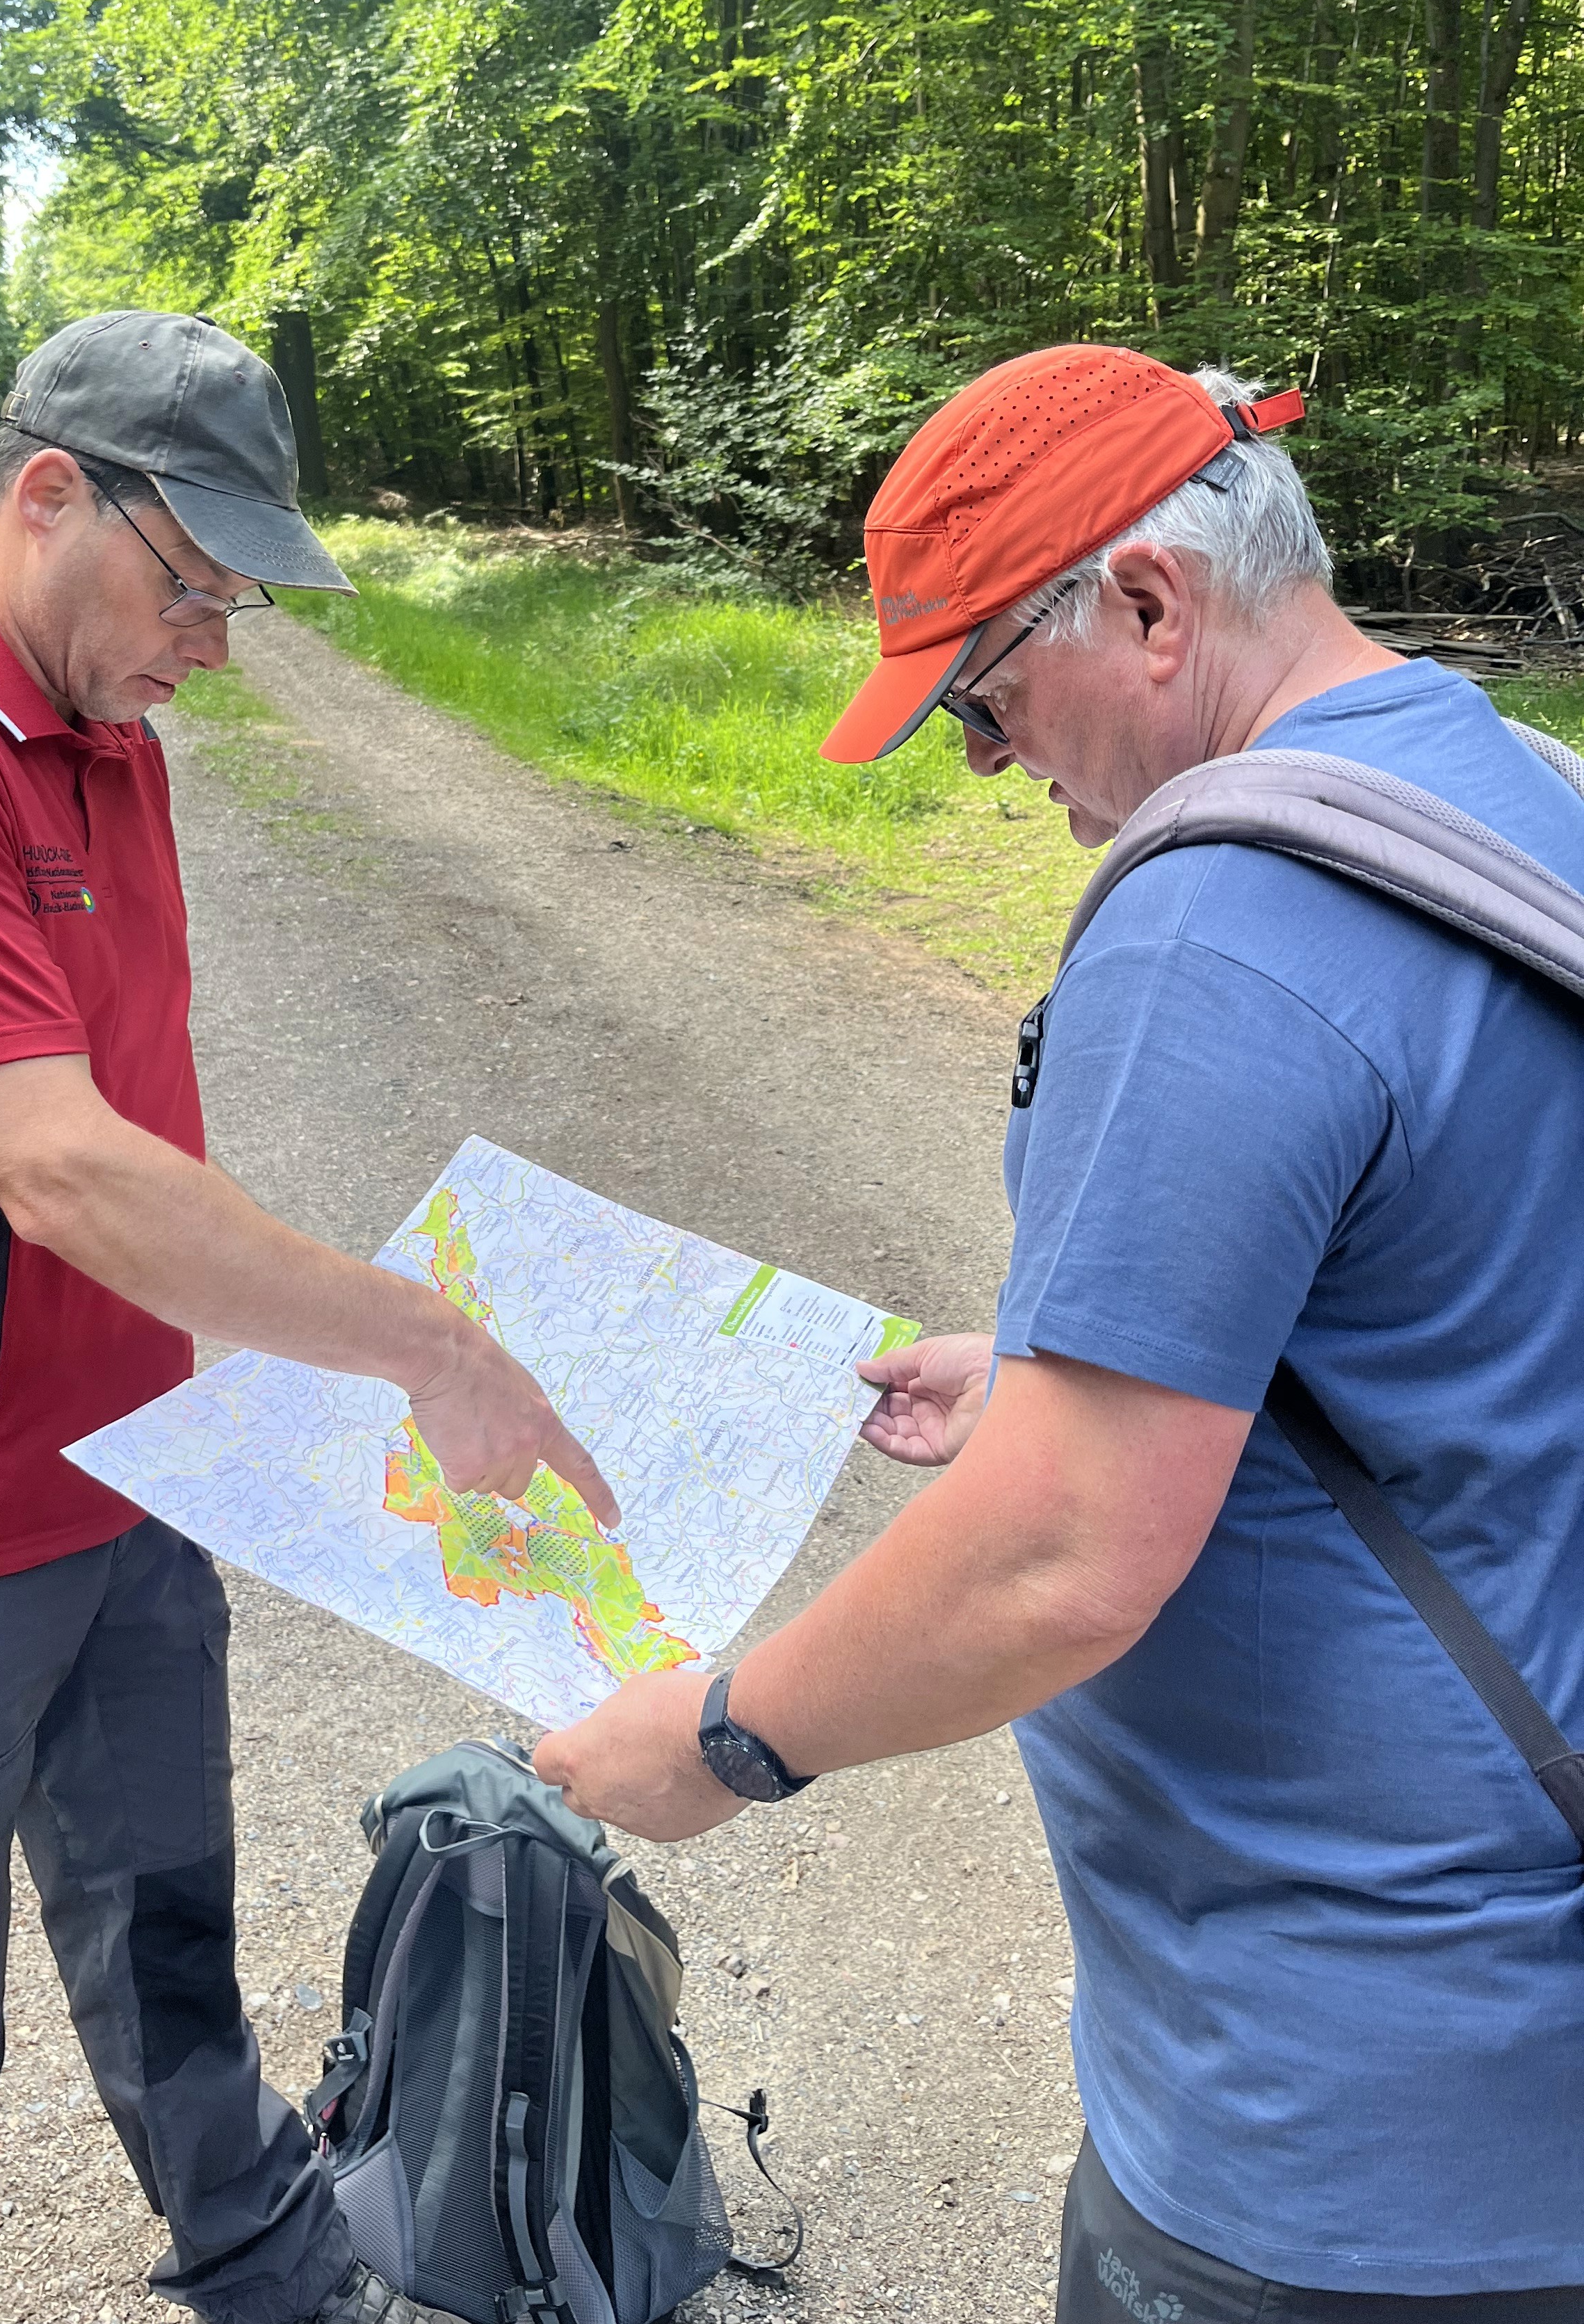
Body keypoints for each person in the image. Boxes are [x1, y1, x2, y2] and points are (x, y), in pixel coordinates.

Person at [535, 344, 1584, 2320]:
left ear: (1150, 604)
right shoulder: (1511, 789)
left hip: (1340, 2130)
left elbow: (1055, 1559)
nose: (993, 766)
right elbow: (1476, 1292)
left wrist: (716, 1735)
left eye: (989, 698)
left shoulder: (1218, 933)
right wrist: (1057, 1381)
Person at [0, 307, 616, 2324]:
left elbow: (128, 1162)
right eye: (195, 584)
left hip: (126, 1484)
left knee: (171, 1928)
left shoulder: (105, 746)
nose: (218, 642)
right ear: (46, 494)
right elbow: (62, 1168)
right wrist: (431, 1344)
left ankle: (274, 2269)